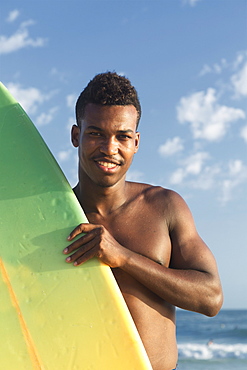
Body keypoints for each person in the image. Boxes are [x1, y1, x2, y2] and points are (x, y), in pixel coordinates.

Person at [63, 72, 223, 370]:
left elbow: (211, 298)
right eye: (96, 133)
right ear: (76, 135)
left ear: (135, 142)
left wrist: (123, 257)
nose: (110, 149)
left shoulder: (164, 207)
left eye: (122, 136)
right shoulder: (53, 216)